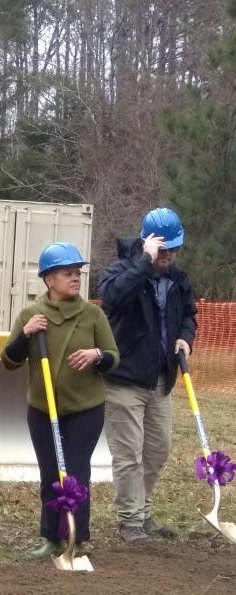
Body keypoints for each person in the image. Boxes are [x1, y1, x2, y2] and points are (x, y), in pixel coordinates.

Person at [2, 242, 119, 558]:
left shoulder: (92, 314)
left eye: (77, 272)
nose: (76, 278)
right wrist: (25, 334)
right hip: (42, 410)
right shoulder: (31, 315)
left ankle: (76, 538)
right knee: (51, 473)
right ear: (48, 279)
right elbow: (10, 360)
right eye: (67, 272)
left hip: (86, 409)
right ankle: (51, 538)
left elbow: (113, 357)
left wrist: (97, 355)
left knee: (77, 471)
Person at [98, 208, 196, 542]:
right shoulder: (122, 271)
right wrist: (143, 262)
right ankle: (130, 521)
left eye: (174, 249)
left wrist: (186, 336)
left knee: (158, 450)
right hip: (123, 378)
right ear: (147, 242)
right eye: (163, 249)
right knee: (128, 455)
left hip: (160, 380)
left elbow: (189, 315)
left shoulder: (178, 280)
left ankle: (144, 510)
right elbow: (111, 299)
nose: (169, 256)